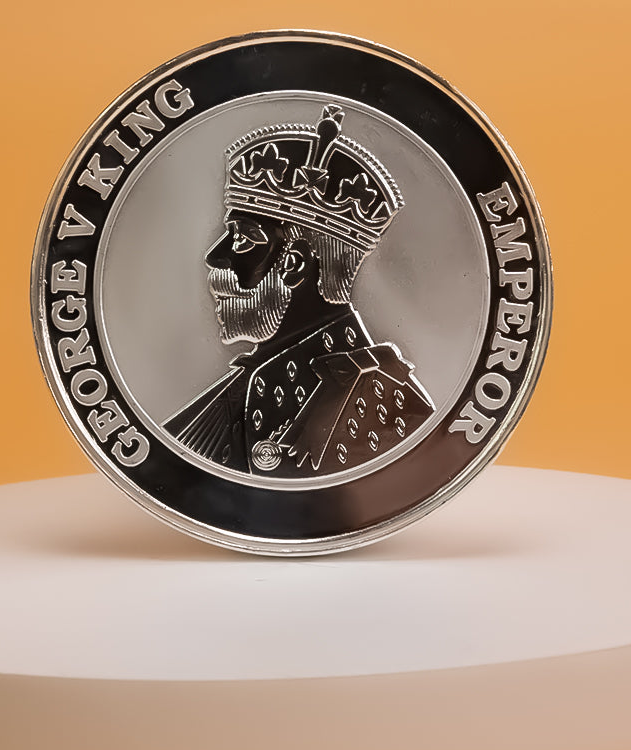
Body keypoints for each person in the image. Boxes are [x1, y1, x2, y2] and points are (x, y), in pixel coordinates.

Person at [164, 105, 433, 477]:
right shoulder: (244, 381)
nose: (213, 257)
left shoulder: (379, 393)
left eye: (242, 239)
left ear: (293, 265)